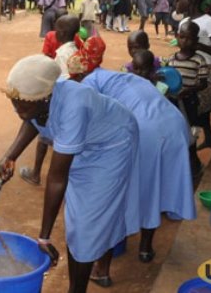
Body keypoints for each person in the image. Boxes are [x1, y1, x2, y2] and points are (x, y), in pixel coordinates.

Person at [0, 54, 138, 293]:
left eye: (23, 103)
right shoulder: (38, 100)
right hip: (87, 142)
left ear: (45, 98)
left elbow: (57, 178)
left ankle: (79, 287)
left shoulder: (74, 106)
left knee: (86, 222)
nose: (17, 108)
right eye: (14, 102)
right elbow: (32, 119)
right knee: (83, 215)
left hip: (112, 146)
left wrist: (43, 237)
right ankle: (94, 267)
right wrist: (10, 156)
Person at [67, 41, 196, 287]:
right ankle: (145, 249)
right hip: (174, 124)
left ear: (79, 74)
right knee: (155, 186)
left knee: (113, 196)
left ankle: (102, 269)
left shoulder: (88, 85)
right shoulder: (117, 76)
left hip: (146, 130)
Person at [20, 15, 80, 185]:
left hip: (60, 102)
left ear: (61, 32)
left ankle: (36, 174)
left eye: (57, 28)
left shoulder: (62, 54)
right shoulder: (75, 49)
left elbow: (63, 80)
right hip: (70, 102)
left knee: (43, 139)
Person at [176, 0, 211, 150]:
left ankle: (191, 150)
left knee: (194, 109)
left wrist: (199, 47)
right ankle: (209, 139)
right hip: (187, 68)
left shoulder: (209, 22)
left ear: (190, 1)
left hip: (204, 72)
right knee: (190, 106)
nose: (177, 1)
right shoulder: (183, 22)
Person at [165, 21, 210, 128]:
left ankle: (190, 144)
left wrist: (189, 90)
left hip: (189, 100)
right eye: (182, 37)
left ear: (196, 40)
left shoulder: (199, 60)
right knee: (173, 124)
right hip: (172, 99)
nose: (184, 41)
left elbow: (204, 84)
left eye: (189, 38)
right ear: (177, 37)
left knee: (189, 126)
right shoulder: (171, 59)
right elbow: (166, 78)